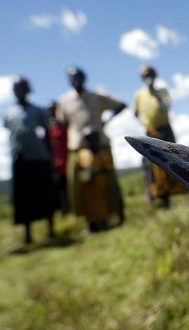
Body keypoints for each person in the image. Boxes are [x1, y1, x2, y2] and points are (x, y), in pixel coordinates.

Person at [56, 67, 126, 233]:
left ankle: (115, 214)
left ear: (84, 78)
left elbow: (121, 105)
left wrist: (104, 122)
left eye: (78, 77)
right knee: (82, 185)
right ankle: (91, 222)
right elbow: (61, 122)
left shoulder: (96, 97)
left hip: (100, 143)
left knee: (107, 181)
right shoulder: (64, 101)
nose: (75, 80)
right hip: (78, 146)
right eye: (72, 78)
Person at [3, 77, 56, 244]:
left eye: (23, 88)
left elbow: (47, 133)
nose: (20, 91)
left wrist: (49, 155)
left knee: (45, 193)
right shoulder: (9, 113)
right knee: (24, 197)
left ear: (28, 90)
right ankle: (28, 234)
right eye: (17, 88)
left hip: (39, 158)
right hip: (20, 159)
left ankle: (51, 228)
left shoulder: (38, 111)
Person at [133, 65, 186, 208]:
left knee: (172, 158)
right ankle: (162, 197)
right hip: (151, 131)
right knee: (155, 164)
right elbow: (136, 113)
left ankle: (177, 190)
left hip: (166, 130)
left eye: (149, 74)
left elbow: (166, 106)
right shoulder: (139, 95)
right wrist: (145, 124)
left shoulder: (163, 91)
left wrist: (155, 94)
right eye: (144, 75)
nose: (147, 77)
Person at [47, 100, 69, 215]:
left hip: (67, 159)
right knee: (59, 188)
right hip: (55, 162)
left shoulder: (65, 124)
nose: (51, 112)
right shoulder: (47, 126)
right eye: (49, 110)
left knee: (70, 186)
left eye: (53, 109)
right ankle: (63, 210)